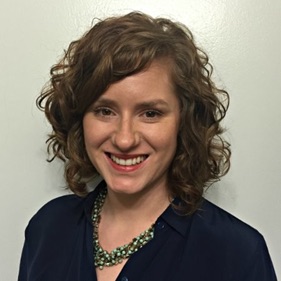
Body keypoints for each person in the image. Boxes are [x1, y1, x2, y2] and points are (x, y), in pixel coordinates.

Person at [18, 12, 277, 281]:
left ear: (183, 122)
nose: (124, 139)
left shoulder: (237, 255)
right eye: (105, 111)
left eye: (150, 113)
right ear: (79, 118)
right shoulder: (46, 228)